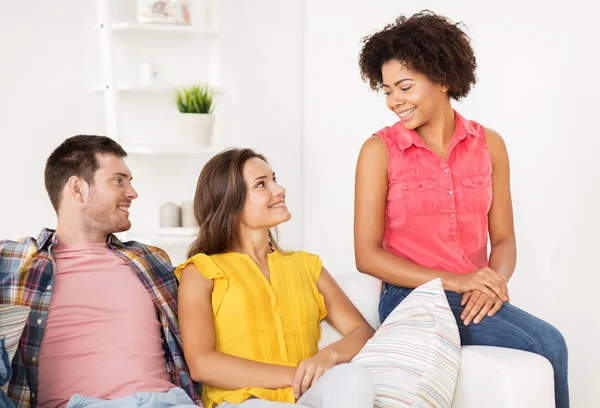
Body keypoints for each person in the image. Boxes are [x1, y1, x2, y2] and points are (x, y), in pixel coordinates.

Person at [354, 10, 569, 408]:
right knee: (547, 341)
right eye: (386, 90)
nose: (394, 101)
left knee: (544, 344)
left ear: (443, 78)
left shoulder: (490, 145)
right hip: (411, 295)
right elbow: (367, 256)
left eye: (404, 87)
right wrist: (456, 282)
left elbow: (503, 238)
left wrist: (492, 282)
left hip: (470, 290)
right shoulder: (378, 151)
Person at [0, 135, 202, 408]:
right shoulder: (13, 260)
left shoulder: (151, 260)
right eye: (119, 180)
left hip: (173, 402)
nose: (132, 192)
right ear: (77, 189)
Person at [176, 148, 375, 408]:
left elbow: (362, 332)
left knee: (353, 377)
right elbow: (202, 364)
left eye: (274, 179)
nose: (279, 189)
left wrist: (327, 357)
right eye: (261, 184)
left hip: (305, 397)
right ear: (230, 202)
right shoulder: (202, 271)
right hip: (245, 401)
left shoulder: (306, 266)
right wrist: (298, 376)